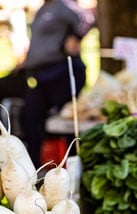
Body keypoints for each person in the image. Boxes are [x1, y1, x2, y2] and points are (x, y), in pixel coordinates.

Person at [0, 0, 94, 169]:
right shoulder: (44, 8)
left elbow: (86, 18)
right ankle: (33, 168)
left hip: (61, 72)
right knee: (30, 116)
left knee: (67, 124)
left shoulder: (64, 5)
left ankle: (73, 171)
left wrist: (75, 37)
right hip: (40, 75)